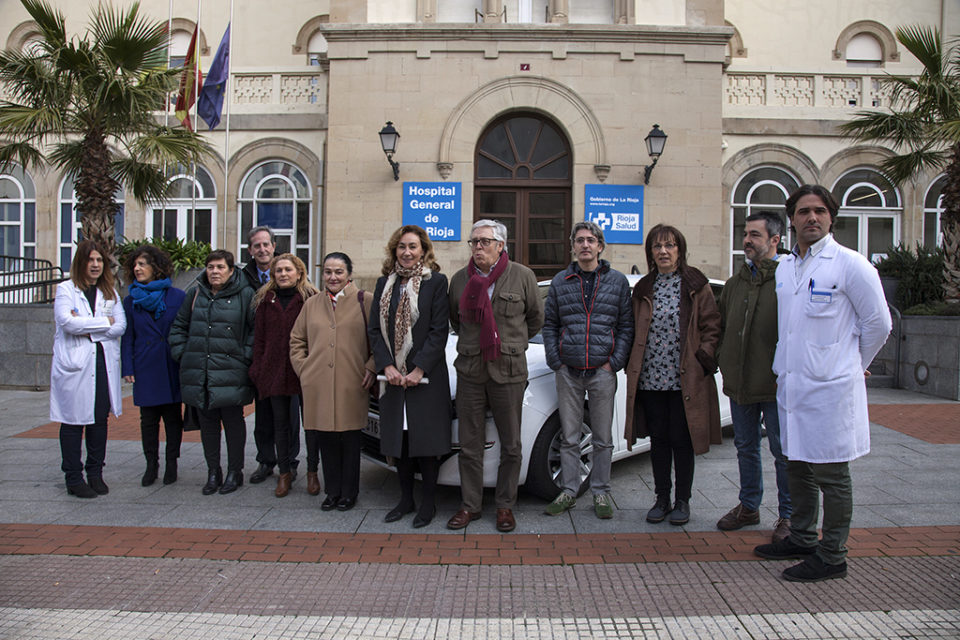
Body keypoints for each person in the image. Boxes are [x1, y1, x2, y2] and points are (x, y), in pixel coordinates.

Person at [754, 185, 891, 582]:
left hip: (831, 387)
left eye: (819, 211)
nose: (811, 217)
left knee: (831, 474)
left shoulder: (850, 265)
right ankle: (801, 536)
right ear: (792, 219)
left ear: (832, 217)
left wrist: (851, 363)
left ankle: (832, 555)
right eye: (803, 211)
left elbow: (879, 324)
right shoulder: (785, 267)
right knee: (796, 464)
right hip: (793, 386)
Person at [447, 220, 544, 533]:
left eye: (485, 242)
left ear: (501, 246)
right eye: (474, 242)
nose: (478, 247)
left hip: (508, 370)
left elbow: (535, 319)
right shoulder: (460, 280)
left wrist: (509, 344)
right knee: (469, 444)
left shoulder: (523, 276)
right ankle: (470, 505)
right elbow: (456, 321)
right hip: (471, 371)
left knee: (511, 444)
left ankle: (505, 505)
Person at [623, 224, 722, 526]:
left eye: (669, 245)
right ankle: (661, 498)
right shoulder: (643, 289)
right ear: (650, 252)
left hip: (684, 379)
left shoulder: (695, 285)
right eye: (657, 246)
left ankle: (682, 501)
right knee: (659, 440)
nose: (663, 251)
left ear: (680, 249)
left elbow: (712, 326)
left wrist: (702, 357)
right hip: (651, 378)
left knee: (682, 439)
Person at [542, 220, 633, 519]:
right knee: (569, 436)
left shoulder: (617, 282)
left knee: (602, 438)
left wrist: (613, 363)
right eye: (579, 240)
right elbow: (550, 325)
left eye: (590, 240)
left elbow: (625, 327)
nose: (585, 245)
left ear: (600, 246)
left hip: (602, 371)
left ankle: (601, 492)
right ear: (573, 246)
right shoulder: (560, 281)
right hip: (568, 371)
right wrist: (556, 361)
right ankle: (568, 491)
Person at [716, 211, 792, 542]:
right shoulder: (734, 284)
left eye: (755, 235)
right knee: (746, 447)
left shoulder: (790, 280)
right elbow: (720, 328)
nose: (747, 240)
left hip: (776, 386)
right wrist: (723, 360)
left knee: (783, 452)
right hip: (740, 384)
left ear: (775, 240)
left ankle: (788, 515)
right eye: (745, 234)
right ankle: (749, 506)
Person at [369, 227, 452, 528]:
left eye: (413, 247)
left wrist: (418, 369)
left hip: (425, 377)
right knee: (400, 441)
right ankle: (405, 500)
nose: (406, 252)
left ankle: (427, 503)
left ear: (423, 250)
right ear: (394, 251)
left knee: (426, 444)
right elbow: (375, 331)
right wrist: (386, 366)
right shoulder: (384, 284)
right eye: (401, 247)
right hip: (392, 380)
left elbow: (438, 331)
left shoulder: (437, 283)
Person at [290, 252, 375, 509]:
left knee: (349, 439)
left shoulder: (366, 301)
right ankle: (332, 491)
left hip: (353, 382)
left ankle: (349, 493)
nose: (333, 277)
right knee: (325, 439)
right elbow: (296, 341)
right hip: (319, 384)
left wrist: (371, 367)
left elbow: (380, 341)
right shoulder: (312, 304)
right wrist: (305, 369)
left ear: (349, 273)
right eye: (328, 271)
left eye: (338, 271)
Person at [169, 250, 255, 495]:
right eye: (210, 267)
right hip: (201, 372)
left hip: (231, 372)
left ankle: (234, 471)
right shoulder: (195, 294)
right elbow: (179, 327)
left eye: (220, 267)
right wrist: (183, 353)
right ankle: (213, 471)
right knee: (207, 425)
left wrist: (244, 356)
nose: (214, 271)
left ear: (231, 270)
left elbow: (254, 331)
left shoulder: (245, 294)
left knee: (233, 424)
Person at [50, 240, 126, 498]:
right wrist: (104, 323)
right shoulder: (66, 289)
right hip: (75, 365)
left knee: (98, 421)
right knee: (72, 421)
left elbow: (121, 326)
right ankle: (73, 477)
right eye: (90, 260)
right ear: (80, 263)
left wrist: (89, 326)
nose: (95, 265)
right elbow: (67, 322)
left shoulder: (110, 292)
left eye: (99, 261)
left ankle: (95, 473)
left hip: (102, 364)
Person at [249, 253, 319, 498]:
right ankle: (285, 472)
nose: (283, 274)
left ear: (299, 272)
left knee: (310, 424)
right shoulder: (265, 300)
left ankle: (312, 472)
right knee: (280, 426)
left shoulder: (311, 299)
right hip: (274, 370)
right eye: (278, 271)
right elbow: (259, 339)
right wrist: (257, 369)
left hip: (305, 370)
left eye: (288, 270)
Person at [121, 245, 186, 487]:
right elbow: (128, 337)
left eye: (142, 264)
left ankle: (172, 463)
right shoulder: (130, 300)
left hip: (170, 365)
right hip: (145, 365)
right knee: (147, 420)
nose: (137, 269)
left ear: (156, 267)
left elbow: (184, 331)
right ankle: (151, 464)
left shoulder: (177, 297)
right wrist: (128, 367)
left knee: (172, 419)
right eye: (134, 265)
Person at [241, 225, 301, 485]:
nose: (262, 249)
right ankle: (266, 460)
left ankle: (290, 463)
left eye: (266, 244)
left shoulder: (293, 281)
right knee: (264, 416)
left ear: (274, 246)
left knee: (289, 416)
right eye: (257, 245)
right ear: (250, 250)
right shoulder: (242, 278)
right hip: (260, 357)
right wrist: (254, 363)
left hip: (289, 362)